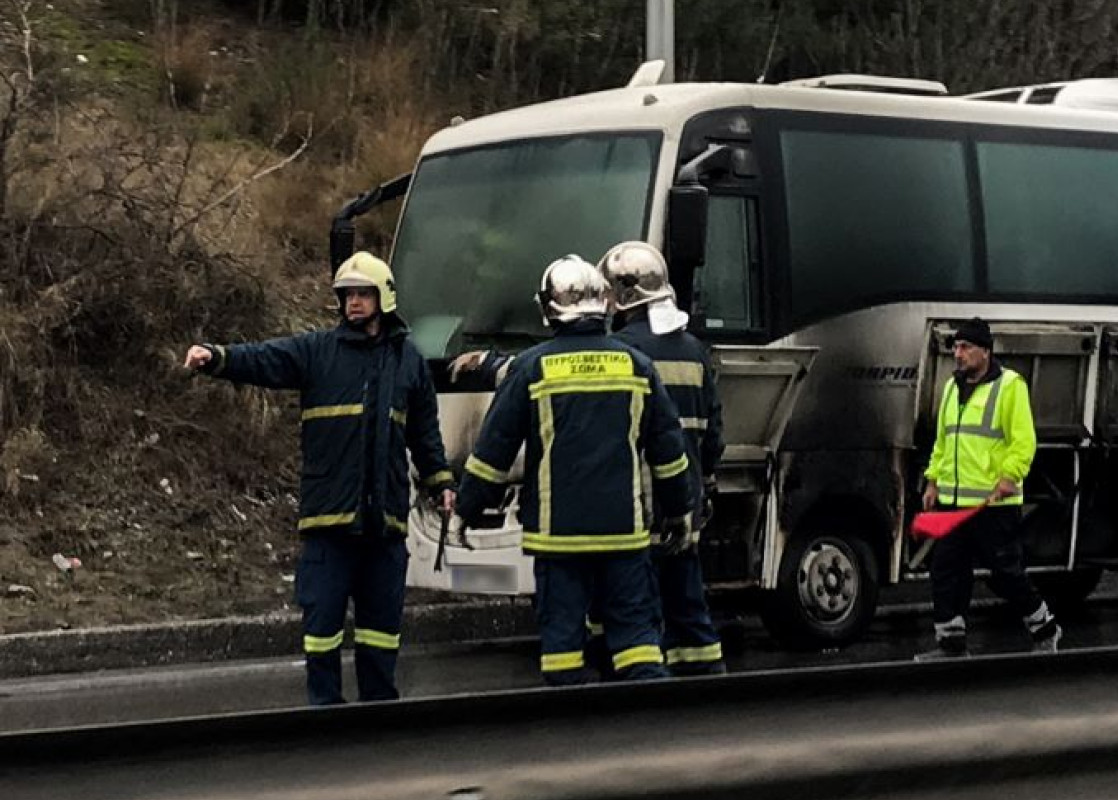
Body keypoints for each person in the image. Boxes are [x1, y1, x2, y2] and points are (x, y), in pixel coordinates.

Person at [183, 252, 455, 704]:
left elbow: (425, 434)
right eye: (347, 295)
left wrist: (441, 482)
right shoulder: (316, 352)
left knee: (381, 629)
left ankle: (379, 708)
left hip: (383, 525)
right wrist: (217, 357)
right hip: (329, 523)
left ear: (384, 297)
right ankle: (324, 711)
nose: (353, 303)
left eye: (362, 295)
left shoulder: (408, 362)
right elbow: (264, 359)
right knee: (321, 625)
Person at [454, 255, 698, 686]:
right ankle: (655, 730)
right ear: (603, 304)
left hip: (558, 539)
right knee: (637, 641)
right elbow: (669, 451)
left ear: (549, 310)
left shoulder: (532, 368)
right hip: (624, 535)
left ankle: (574, 738)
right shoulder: (636, 366)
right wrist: (679, 511)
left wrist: (467, 510)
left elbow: (493, 452)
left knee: (563, 648)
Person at [599, 241, 727, 676]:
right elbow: (713, 436)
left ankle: (650, 706)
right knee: (690, 607)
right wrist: (704, 483)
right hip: (684, 503)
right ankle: (710, 683)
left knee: (637, 614)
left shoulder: (615, 351)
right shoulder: (696, 351)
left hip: (634, 507)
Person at [917, 317, 1060, 659]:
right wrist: (933, 480)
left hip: (992, 503)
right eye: (955, 346)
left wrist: (1009, 478)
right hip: (953, 502)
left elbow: (1023, 441)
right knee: (946, 571)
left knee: (1005, 572)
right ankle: (950, 645)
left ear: (985, 350)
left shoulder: (1010, 386)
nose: (957, 353)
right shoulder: (952, 387)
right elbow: (943, 439)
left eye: (965, 347)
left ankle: (1046, 629)